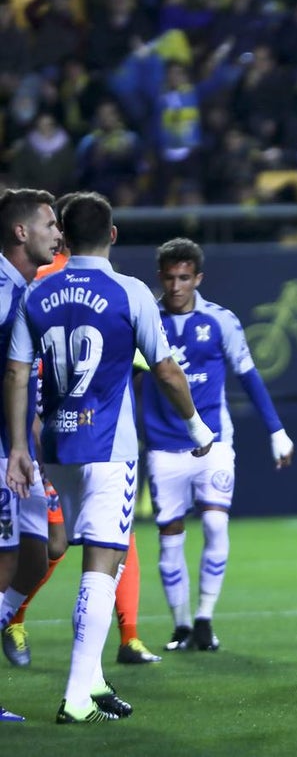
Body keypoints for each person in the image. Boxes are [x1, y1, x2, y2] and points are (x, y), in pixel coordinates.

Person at [4, 192, 215, 724]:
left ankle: (94, 682)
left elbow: (16, 374)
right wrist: (197, 425)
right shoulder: (130, 291)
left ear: (65, 240)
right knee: (101, 566)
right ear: (113, 235)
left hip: (56, 448)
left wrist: (19, 448)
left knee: (102, 558)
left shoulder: (37, 291)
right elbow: (166, 369)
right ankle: (77, 697)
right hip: (108, 449)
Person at [3, 190, 163, 670]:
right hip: (41, 436)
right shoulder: (37, 287)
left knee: (76, 544)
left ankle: (125, 637)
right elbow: (17, 370)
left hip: (51, 435)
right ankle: (28, 632)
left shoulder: (37, 284)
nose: (54, 236)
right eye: (48, 225)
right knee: (53, 547)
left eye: (58, 227)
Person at [140, 238, 294, 654]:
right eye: (170, 278)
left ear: (198, 278)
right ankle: (181, 625)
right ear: (160, 277)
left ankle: (205, 618)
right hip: (163, 445)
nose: (176, 286)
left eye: (184, 278)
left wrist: (276, 430)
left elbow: (248, 374)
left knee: (214, 524)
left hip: (214, 442)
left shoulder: (220, 320)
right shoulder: (143, 319)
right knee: (170, 536)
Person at [0, 188, 61, 724]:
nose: (57, 233)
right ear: (22, 233)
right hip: (1, 450)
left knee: (41, 554)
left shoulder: (25, 289)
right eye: (49, 224)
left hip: (17, 447)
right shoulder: (1, 290)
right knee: (4, 562)